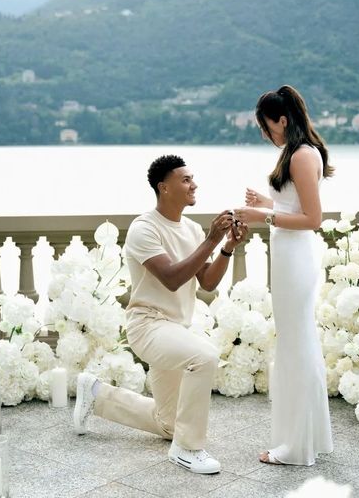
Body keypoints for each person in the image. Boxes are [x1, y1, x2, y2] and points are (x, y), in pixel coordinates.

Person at [73, 154, 248, 474]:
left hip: (175, 330)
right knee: (205, 356)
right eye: (186, 180)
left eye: (193, 178)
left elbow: (207, 282)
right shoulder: (144, 228)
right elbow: (170, 279)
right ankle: (188, 449)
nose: (194, 184)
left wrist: (226, 248)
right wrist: (211, 240)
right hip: (148, 325)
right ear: (163, 188)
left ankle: (96, 394)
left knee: (168, 424)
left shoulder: (193, 229)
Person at [234, 85, 334, 466]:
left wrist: (264, 215)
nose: (264, 134)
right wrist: (269, 203)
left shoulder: (303, 156)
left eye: (266, 126)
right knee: (298, 342)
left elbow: (313, 219)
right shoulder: (297, 154)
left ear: (283, 120)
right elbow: (295, 205)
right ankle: (312, 437)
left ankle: (296, 447)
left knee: (296, 346)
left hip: (296, 257)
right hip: (289, 255)